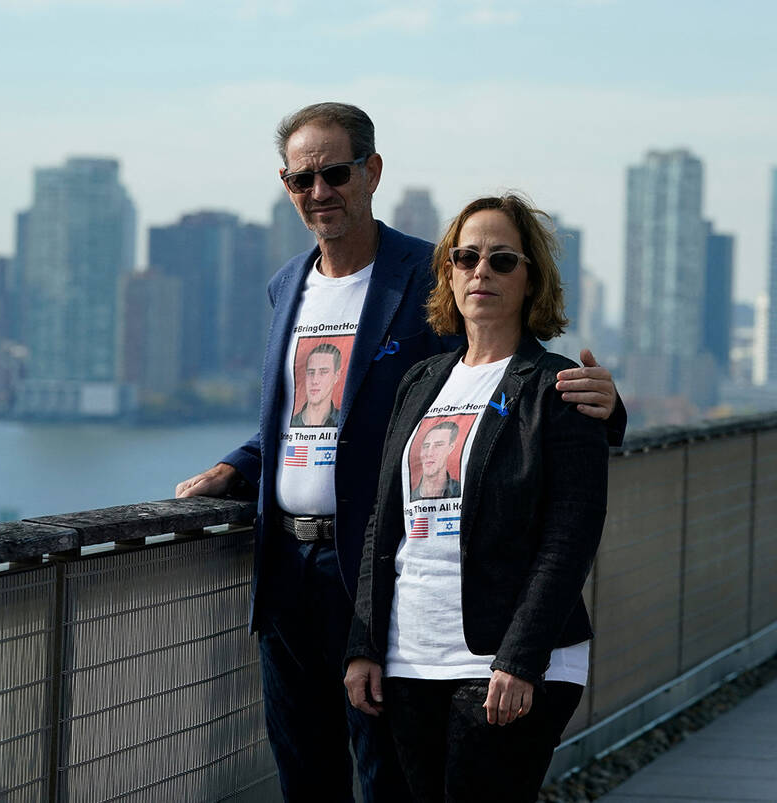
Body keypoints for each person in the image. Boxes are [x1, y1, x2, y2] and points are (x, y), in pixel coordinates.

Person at [175, 103, 624, 802]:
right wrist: (238, 466)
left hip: (381, 580)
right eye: (301, 179)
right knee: (304, 771)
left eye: (335, 172)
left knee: (386, 779)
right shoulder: (287, 284)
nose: (319, 190)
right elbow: (298, 417)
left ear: (372, 171)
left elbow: (508, 384)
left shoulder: (426, 271)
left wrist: (607, 407)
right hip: (289, 569)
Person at [344, 194, 608, 802]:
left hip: (502, 660)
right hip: (410, 656)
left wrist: (521, 658)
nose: (480, 271)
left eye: (502, 259)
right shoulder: (420, 381)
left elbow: (571, 536)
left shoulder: (556, 387)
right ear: (449, 274)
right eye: (465, 258)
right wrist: (363, 646)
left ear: (531, 278)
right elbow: (384, 526)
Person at [290, 342, 342, 426]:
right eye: (311, 372)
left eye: (323, 372)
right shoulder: (288, 424)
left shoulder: (345, 424)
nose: (314, 381)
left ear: (336, 376)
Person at [410, 420, 461, 500]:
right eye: (426, 446)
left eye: (438, 445)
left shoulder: (462, 492)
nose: (429, 453)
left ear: (450, 448)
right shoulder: (407, 497)